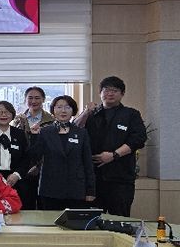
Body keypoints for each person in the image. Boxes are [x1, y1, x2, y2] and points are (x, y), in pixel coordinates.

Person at [75, 76, 147, 217]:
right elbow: (74, 131)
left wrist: (114, 155)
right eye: (106, 90)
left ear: (122, 94)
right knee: (91, 220)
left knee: (119, 219)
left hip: (120, 178)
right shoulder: (91, 114)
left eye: (115, 90)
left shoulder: (131, 114)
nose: (110, 93)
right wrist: (86, 112)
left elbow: (138, 139)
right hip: (93, 179)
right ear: (100, 93)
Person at [29, 95, 96, 211]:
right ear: (53, 110)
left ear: (73, 110)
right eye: (59, 107)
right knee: (50, 221)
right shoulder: (45, 132)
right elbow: (34, 156)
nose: (63, 111)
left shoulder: (82, 133)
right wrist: (34, 136)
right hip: (50, 188)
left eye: (67, 107)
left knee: (74, 221)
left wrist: (90, 190)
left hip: (76, 189)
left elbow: (88, 163)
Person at [0, 101, 33, 208]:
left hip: (15, 180)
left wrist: (17, 175)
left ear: (12, 114)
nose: (3, 115)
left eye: (7, 112)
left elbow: (27, 158)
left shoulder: (19, 134)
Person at [11, 86, 55, 210]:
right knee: (24, 204)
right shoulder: (17, 120)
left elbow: (51, 147)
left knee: (44, 206)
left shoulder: (52, 121)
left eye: (37, 98)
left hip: (44, 168)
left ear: (43, 100)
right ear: (25, 100)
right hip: (22, 168)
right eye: (30, 98)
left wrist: (38, 166)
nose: (33, 101)